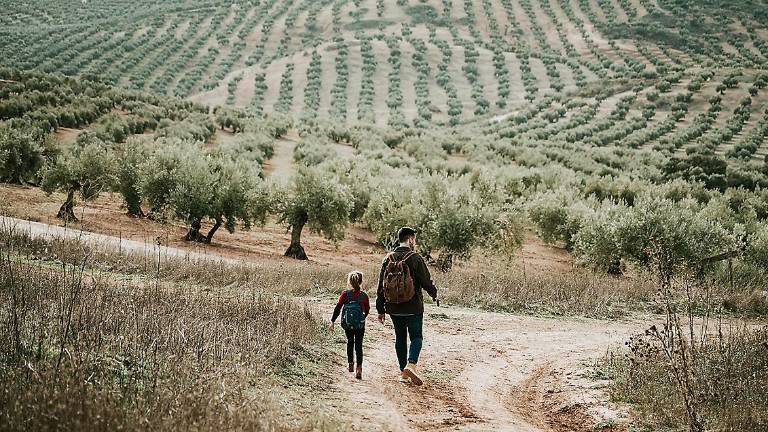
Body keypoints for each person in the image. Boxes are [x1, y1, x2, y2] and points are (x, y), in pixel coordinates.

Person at [376, 227, 438, 386]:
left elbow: (381, 285)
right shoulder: (415, 258)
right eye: (414, 239)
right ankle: (411, 365)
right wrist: (434, 293)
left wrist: (380, 308)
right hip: (413, 306)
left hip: (394, 307)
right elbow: (426, 280)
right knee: (416, 337)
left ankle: (403, 374)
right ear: (410, 239)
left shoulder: (388, 258)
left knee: (400, 338)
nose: (414, 242)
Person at [329, 270, 369, 379]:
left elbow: (338, 308)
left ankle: (350, 364)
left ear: (350, 282)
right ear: (360, 282)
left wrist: (332, 321)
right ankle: (359, 368)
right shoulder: (364, 296)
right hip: (360, 325)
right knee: (359, 345)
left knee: (350, 342)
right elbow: (367, 310)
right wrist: (361, 319)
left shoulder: (345, 294)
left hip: (347, 324)